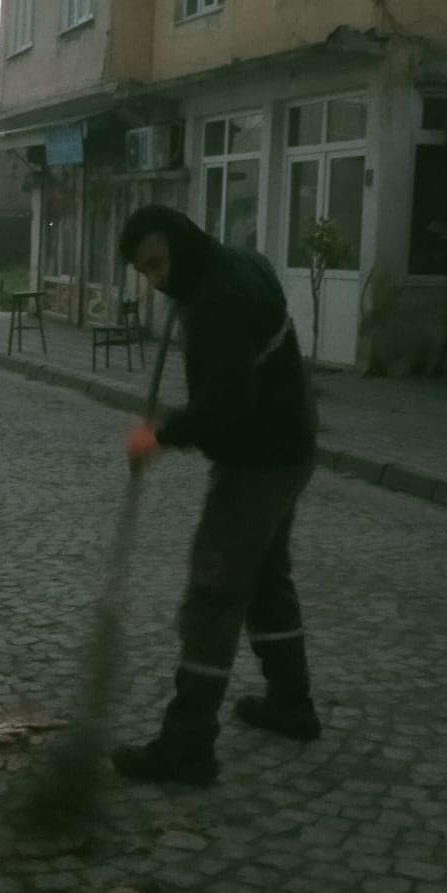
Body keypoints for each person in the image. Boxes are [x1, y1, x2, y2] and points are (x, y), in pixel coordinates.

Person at [111, 203, 321, 786]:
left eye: (158, 265)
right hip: (293, 440)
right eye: (145, 273)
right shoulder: (238, 262)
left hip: (257, 462)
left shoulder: (215, 302)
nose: (156, 281)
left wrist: (159, 437)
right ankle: (291, 704)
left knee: (213, 591)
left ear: (181, 245)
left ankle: (187, 746)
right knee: (267, 574)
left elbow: (224, 407)